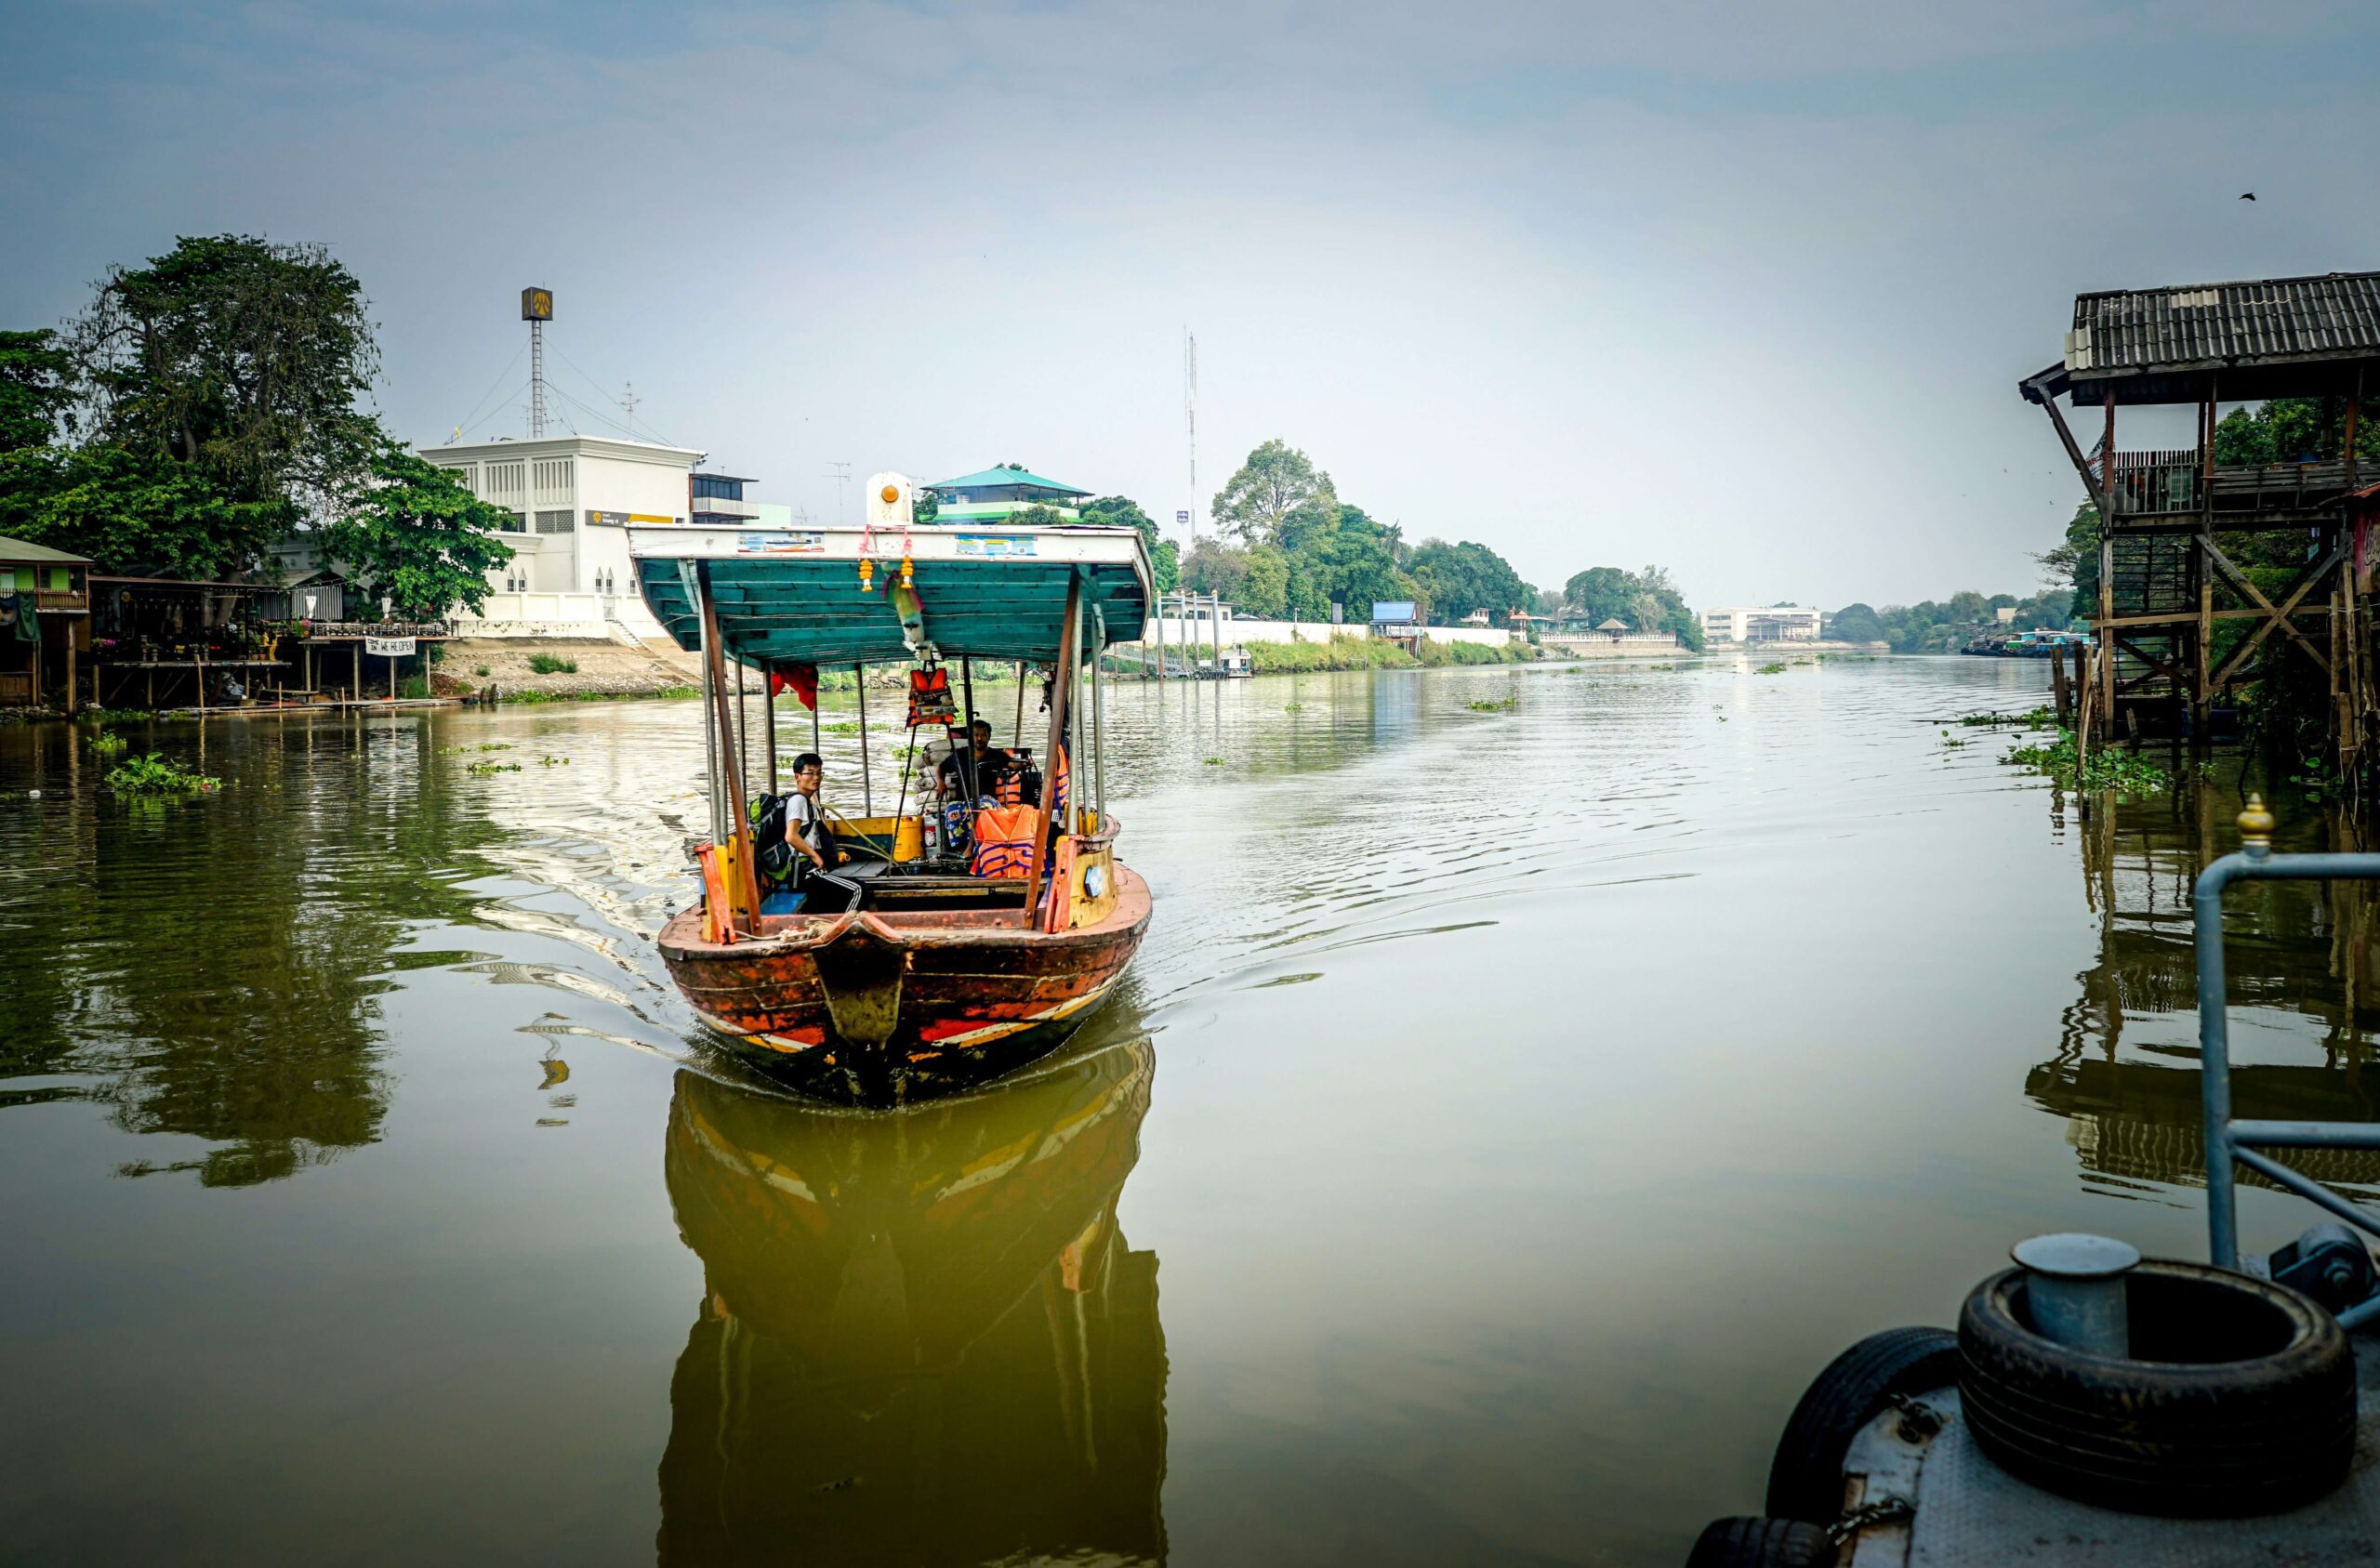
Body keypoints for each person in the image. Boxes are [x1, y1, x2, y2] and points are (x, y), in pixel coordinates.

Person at [774, 753, 861, 914]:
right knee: (858, 890)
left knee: (845, 890)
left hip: (809, 870)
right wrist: (815, 856)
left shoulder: (808, 802)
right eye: (810, 773)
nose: (816, 777)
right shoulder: (798, 801)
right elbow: (791, 836)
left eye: (819, 773)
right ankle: (841, 930)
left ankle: (830, 924)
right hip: (803, 872)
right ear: (797, 776)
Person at [935, 718, 1013, 804]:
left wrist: (1021, 763)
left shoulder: (997, 755)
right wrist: (941, 783)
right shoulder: (960, 754)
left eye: (983, 735)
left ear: (989, 737)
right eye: (975, 735)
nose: (979, 738)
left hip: (987, 802)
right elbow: (941, 767)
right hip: (962, 802)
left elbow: (1012, 763)